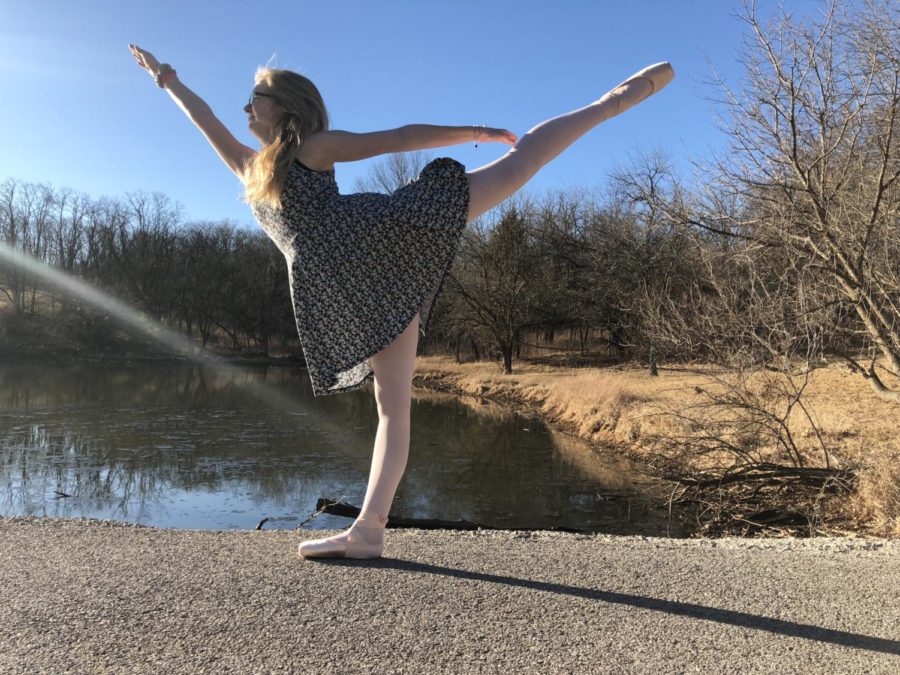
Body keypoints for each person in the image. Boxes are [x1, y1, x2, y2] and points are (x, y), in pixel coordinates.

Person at [128, 44, 674, 559]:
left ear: (285, 107)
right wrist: (166, 78)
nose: (246, 106)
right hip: (351, 289)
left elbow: (398, 136)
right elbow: (203, 119)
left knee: (521, 161)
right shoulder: (253, 171)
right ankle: (368, 532)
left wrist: (474, 131)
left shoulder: (313, 149)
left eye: (256, 96)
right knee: (392, 406)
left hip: (390, 238)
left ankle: (614, 101)